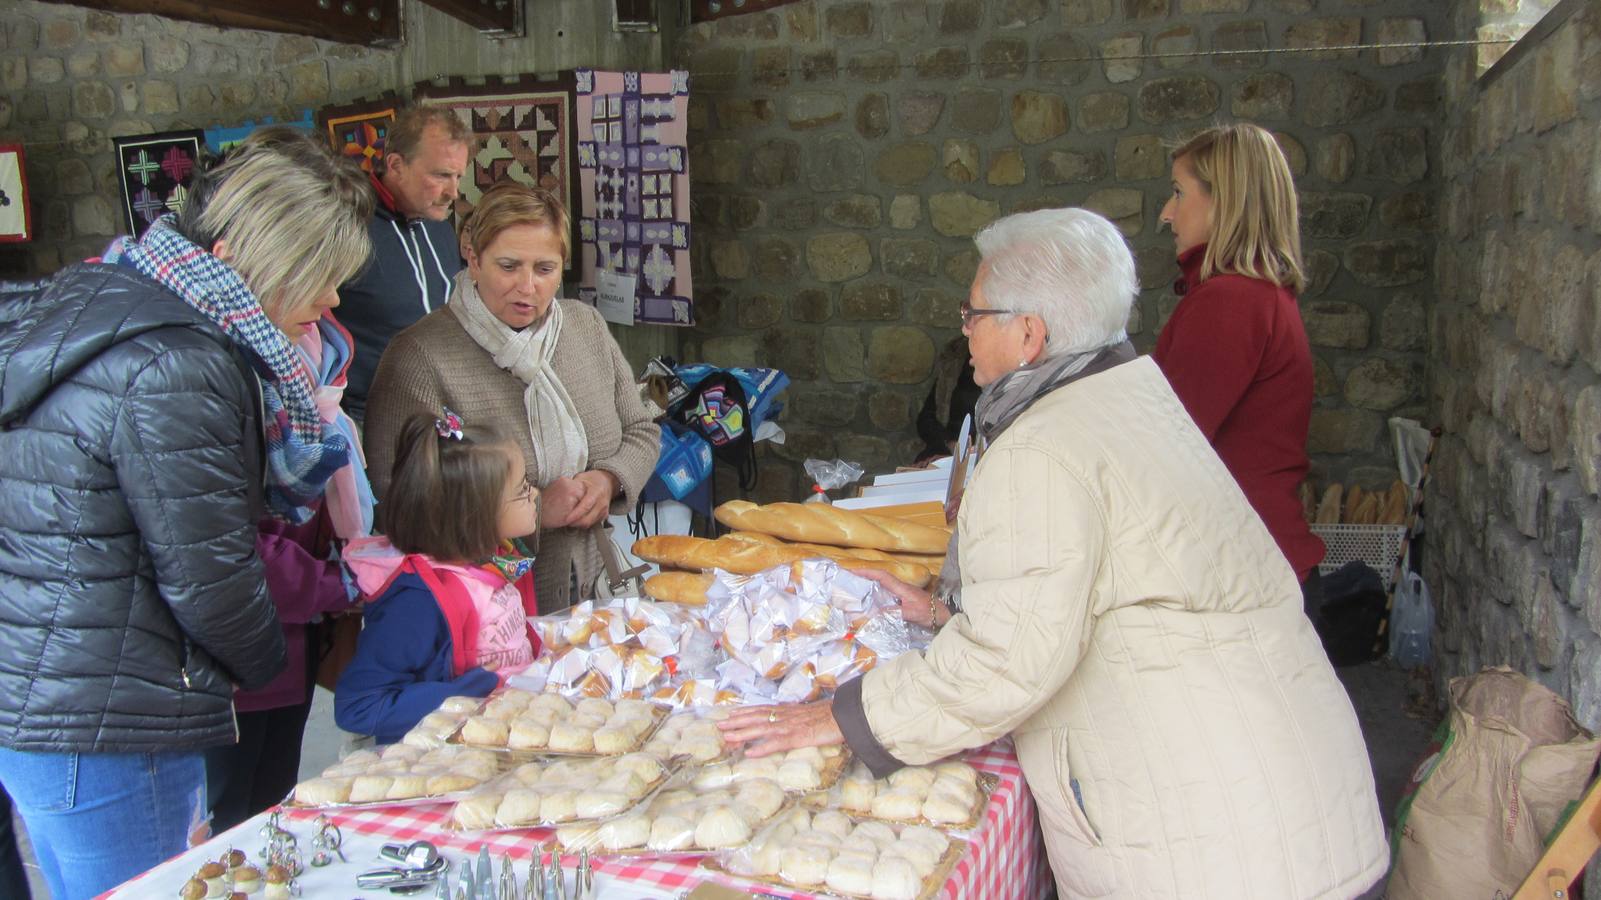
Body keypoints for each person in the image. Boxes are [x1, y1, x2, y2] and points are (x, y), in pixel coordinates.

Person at [718, 208, 1387, 899]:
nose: (963, 328)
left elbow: (1006, 663)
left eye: (973, 312)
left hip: (1213, 844)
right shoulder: (1130, 400)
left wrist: (843, 716)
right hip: (1285, 809)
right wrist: (948, 613)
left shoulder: (1042, 447)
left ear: (1029, 334)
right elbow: (1104, 589)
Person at [0, 132, 373, 898]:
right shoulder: (183, 359)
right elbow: (212, 574)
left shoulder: (105, 294)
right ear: (252, 255)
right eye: (320, 277)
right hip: (116, 712)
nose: (332, 301)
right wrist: (273, 666)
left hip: (54, 694)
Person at [364, 183, 658, 611]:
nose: (527, 286)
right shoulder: (420, 356)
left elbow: (640, 430)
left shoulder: (585, 328)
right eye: (508, 266)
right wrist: (534, 511)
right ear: (474, 258)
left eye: (544, 268)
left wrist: (608, 479)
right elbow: (400, 505)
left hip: (597, 587)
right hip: (483, 610)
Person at [201, 129, 379, 834]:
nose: (333, 296)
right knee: (225, 831)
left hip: (290, 637)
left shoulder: (304, 354)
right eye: (318, 275)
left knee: (269, 814)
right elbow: (233, 541)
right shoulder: (211, 372)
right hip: (231, 663)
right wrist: (341, 584)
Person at [1152, 123, 1326, 593]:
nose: (1168, 213)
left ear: (1223, 202)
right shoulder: (1255, 295)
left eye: (1178, 193)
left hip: (1243, 571)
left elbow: (1166, 446)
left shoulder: (1230, 302)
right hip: (1254, 560)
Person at [335, 411, 541, 744]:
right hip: (441, 765)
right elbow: (358, 706)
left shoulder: (495, 563)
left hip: (500, 746)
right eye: (521, 490)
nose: (534, 495)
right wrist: (467, 693)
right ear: (473, 515)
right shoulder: (417, 601)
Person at [339, 106, 471, 422]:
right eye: (441, 175)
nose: (453, 192)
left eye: (458, 176)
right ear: (397, 165)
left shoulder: (438, 224)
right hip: (366, 416)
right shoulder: (347, 225)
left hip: (438, 410)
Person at [913, 335, 979, 465]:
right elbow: (926, 419)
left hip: (980, 457)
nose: (967, 327)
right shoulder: (956, 359)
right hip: (944, 452)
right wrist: (948, 443)